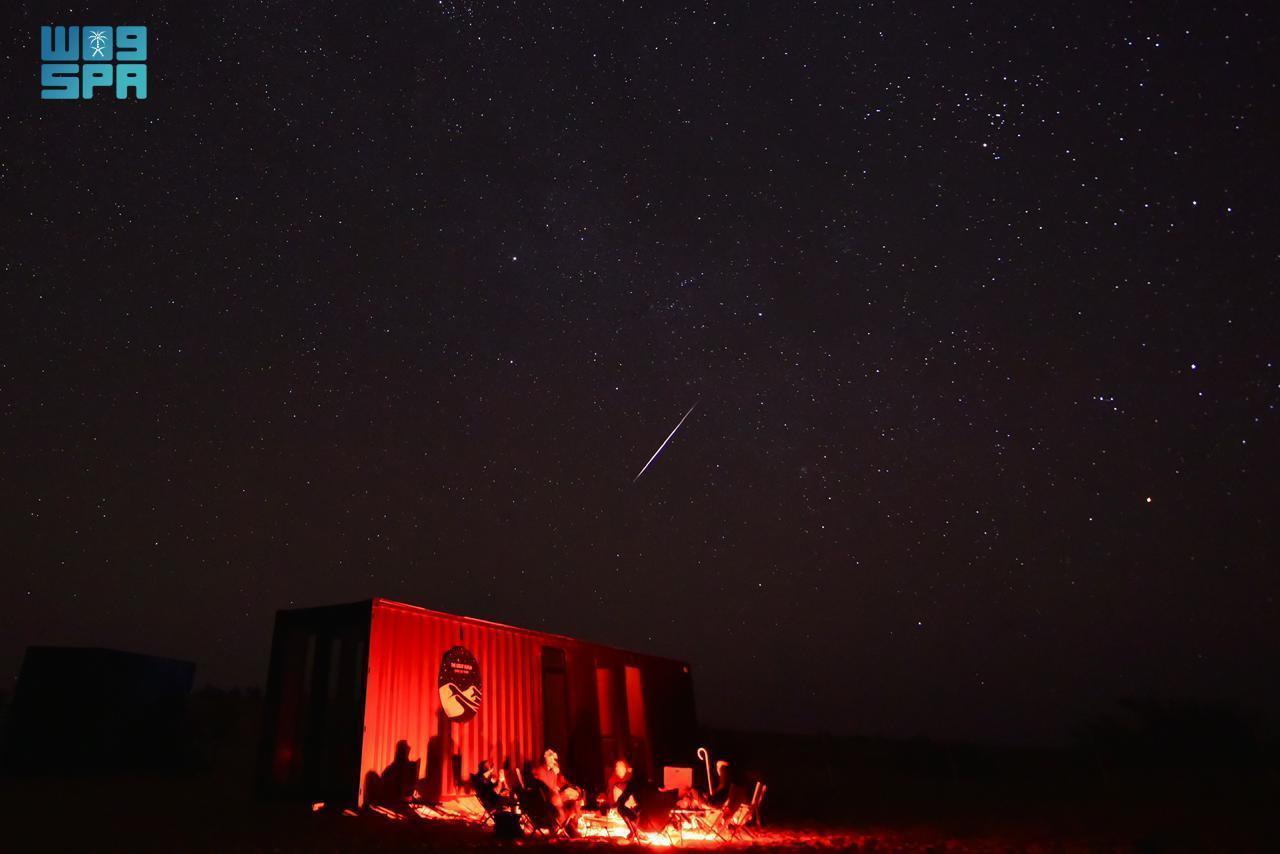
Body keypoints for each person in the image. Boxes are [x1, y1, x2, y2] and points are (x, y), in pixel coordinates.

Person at [532, 748, 582, 835]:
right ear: (545, 759)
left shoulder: (551, 772)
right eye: (551, 758)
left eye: (554, 759)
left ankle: (571, 826)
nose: (553, 761)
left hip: (554, 797)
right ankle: (565, 827)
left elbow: (558, 784)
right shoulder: (540, 771)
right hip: (548, 800)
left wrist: (567, 787)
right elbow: (544, 789)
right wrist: (556, 790)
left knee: (575, 799)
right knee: (561, 799)